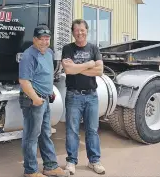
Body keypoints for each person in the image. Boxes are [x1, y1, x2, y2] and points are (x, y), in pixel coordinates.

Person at [19, 25, 68, 177]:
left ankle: (50, 166)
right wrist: (35, 98)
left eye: (47, 39)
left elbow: (46, 75)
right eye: (41, 39)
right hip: (33, 100)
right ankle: (31, 171)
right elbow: (24, 81)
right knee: (31, 136)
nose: (45, 42)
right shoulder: (28, 56)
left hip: (45, 98)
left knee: (45, 133)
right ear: (34, 39)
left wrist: (50, 91)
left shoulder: (49, 53)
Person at [61, 19, 106, 175]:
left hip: (91, 96)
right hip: (74, 96)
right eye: (76, 30)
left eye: (82, 30)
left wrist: (76, 68)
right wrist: (88, 64)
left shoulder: (94, 48)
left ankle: (94, 161)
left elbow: (99, 71)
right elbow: (68, 70)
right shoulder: (67, 48)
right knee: (72, 131)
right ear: (72, 32)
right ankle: (71, 162)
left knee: (92, 130)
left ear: (87, 31)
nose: (80, 33)